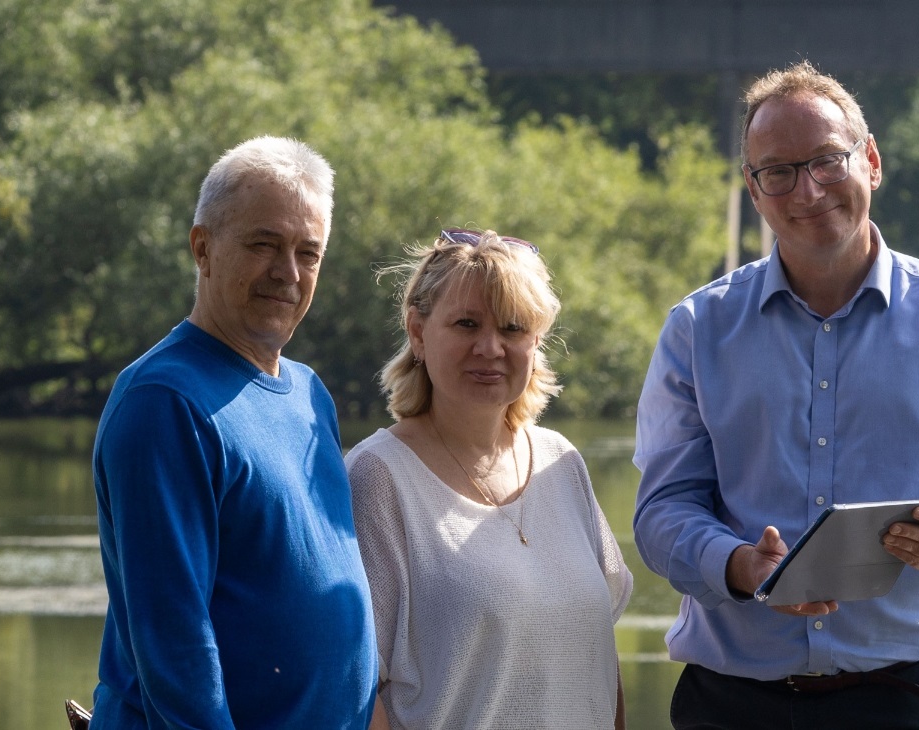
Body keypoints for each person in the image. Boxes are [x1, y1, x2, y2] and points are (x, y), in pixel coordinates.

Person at [632, 61, 919, 730]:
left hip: (908, 697)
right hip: (731, 703)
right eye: (779, 172)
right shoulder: (696, 329)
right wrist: (739, 567)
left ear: (872, 162)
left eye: (828, 161)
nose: (808, 190)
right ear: (754, 189)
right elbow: (662, 511)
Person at [88, 136, 378, 728]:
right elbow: (175, 645)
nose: (287, 273)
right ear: (203, 247)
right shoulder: (165, 402)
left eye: (308, 253)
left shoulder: (310, 394)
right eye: (263, 244)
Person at [347, 228, 633, 730]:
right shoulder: (378, 477)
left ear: (536, 342)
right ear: (417, 331)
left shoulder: (561, 462)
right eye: (467, 323)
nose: (490, 347)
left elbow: (600, 662)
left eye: (513, 327)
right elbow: (356, 686)